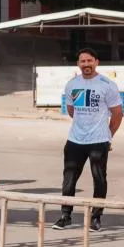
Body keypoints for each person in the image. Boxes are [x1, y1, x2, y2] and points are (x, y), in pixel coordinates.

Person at [53, 48, 123, 232]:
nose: (86, 64)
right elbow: (71, 110)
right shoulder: (72, 84)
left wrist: (108, 135)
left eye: (89, 61)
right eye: (82, 61)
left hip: (98, 140)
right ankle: (65, 216)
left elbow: (117, 114)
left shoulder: (107, 84)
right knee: (69, 178)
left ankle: (96, 217)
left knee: (99, 179)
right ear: (78, 64)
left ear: (96, 62)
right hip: (75, 140)